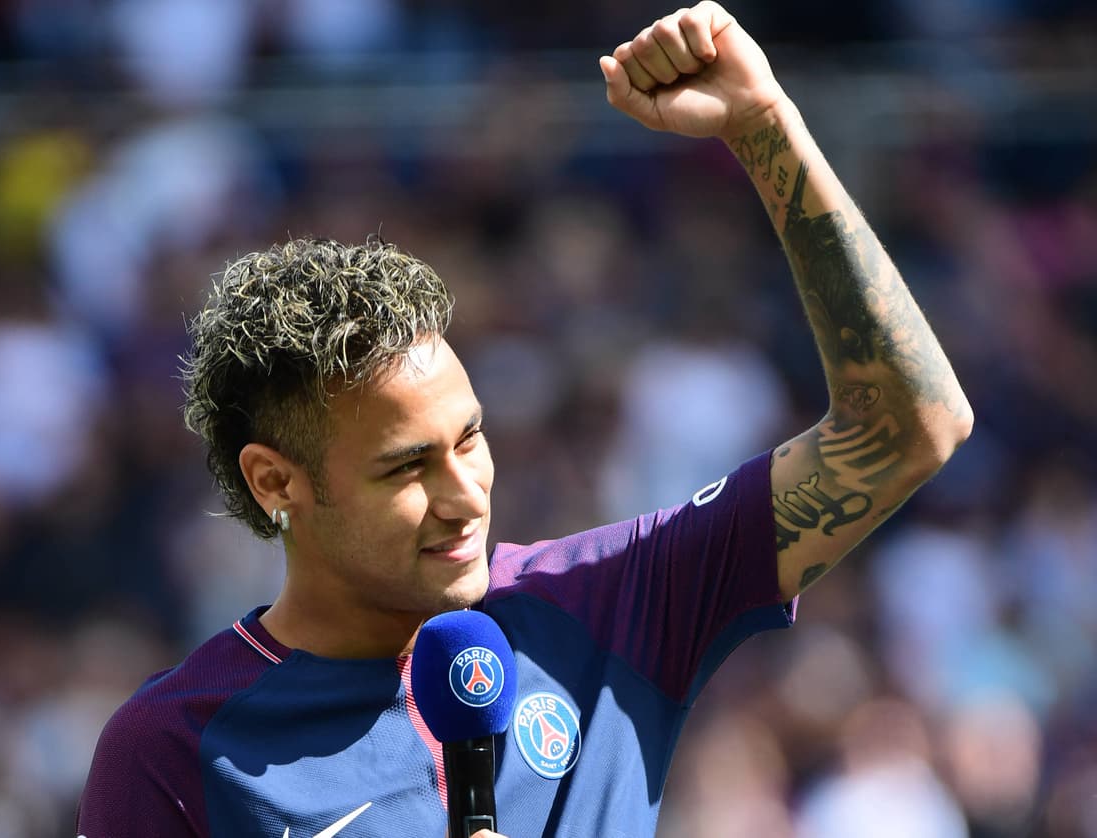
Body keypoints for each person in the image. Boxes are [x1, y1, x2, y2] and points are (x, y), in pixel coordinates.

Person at [76, 2, 973, 835]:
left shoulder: (605, 604)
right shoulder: (171, 750)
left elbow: (910, 427)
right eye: (406, 466)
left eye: (470, 438)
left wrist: (765, 124)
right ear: (277, 481)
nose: (465, 494)